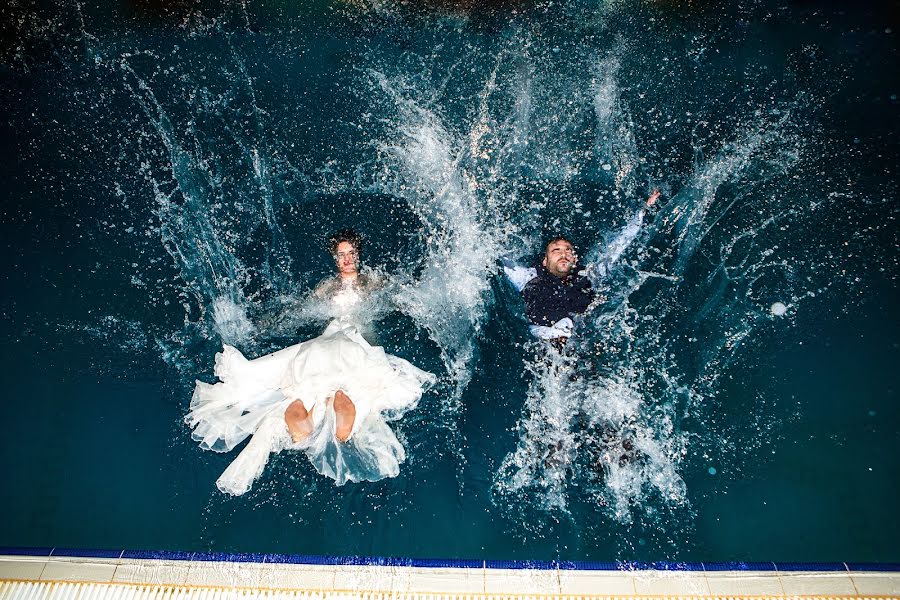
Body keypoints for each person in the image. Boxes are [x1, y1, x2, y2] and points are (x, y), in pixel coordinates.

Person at [186, 230, 435, 495]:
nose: (348, 259)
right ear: (335, 259)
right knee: (350, 381)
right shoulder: (342, 286)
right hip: (352, 345)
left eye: (351, 253)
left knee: (306, 382)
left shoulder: (367, 282)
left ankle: (308, 409)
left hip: (325, 345)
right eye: (342, 255)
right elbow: (300, 311)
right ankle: (337, 407)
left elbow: (401, 294)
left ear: (358, 254)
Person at [504, 190, 660, 344]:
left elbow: (618, 247)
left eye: (568, 251)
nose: (563, 254)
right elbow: (498, 257)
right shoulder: (528, 277)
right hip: (544, 339)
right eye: (556, 250)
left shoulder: (590, 274)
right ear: (545, 261)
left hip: (580, 341)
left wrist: (643, 211)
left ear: (575, 259)